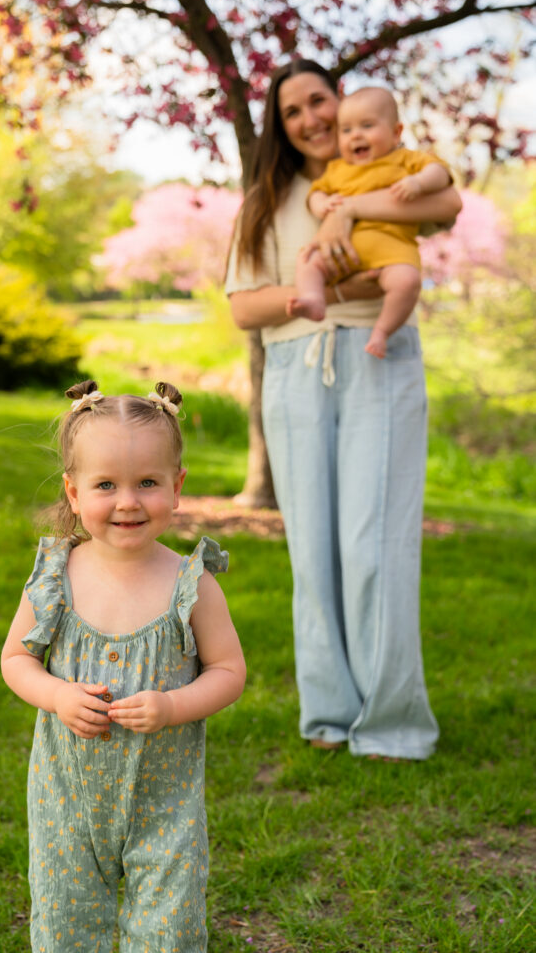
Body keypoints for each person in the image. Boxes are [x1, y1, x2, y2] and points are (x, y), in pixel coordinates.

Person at [226, 58, 461, 760]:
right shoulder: (264, 199)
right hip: (297, 367)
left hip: (377, 360)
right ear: (281, 126)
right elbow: (243, 307)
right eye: (292, 110)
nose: (310, 119)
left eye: (318, 100)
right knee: (315, 552)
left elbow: (443, 209)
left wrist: (353, 210)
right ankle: (328, 713)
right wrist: (309, 293)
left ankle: (391, 723)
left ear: (344, 101)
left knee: (374, 545)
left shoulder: (392, 170)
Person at [1, 379, 246, 952]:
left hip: (166, 804)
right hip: (65, 797)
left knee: (169, 928)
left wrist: (172, 705)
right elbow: (15, 659)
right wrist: (57, 696)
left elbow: (229, 672)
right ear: (74, 490)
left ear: (177, 486)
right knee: (65, 922)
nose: (128, 501)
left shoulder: (194, 585)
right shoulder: (55, 577)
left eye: (148, 483)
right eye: (106, 484)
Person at [288, 86, 451, 357]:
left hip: (393, 252)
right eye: (347, 130)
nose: (356, 136)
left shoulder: (405, 160)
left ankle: (382, 331)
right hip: (342, 251)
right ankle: (314, 301)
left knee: (407, 281)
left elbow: (440, 172)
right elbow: (315, 192)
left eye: (367, 125)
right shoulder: (338, 169)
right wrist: (321, 205)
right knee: (308, 261)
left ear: (396, 132)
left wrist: (419, 182)